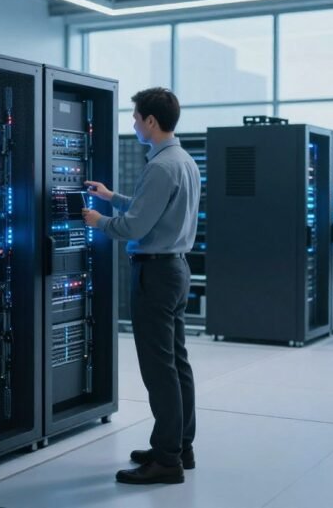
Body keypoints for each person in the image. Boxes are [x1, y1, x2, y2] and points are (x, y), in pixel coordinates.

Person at [82, 87, 200, 485]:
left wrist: (98, 221)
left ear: (151, 121)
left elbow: (136, 225)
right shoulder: (182, 161)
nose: (133, 124)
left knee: (158, 368)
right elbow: (153, 207)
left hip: (156, 273)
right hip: (176, 269)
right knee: (177, 363)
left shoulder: (162, 166)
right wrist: (112, 197)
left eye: (135, 117)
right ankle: (180, 445)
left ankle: (166, 461)